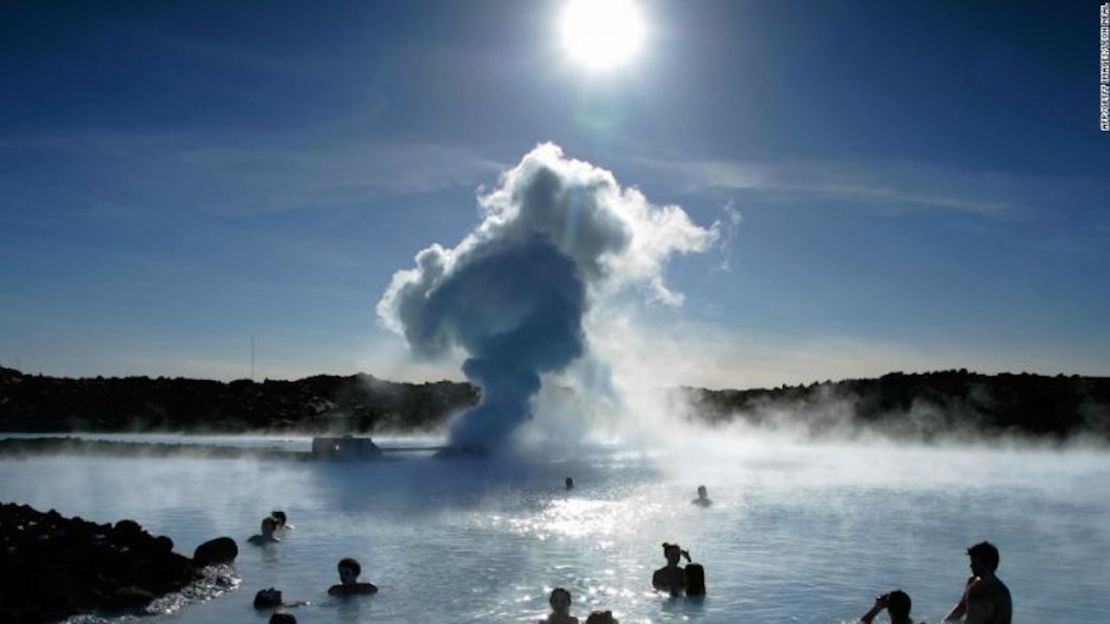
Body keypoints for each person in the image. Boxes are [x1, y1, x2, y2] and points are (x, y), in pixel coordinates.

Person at [944, 541, 1012, 624]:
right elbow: (961, 608)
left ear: (988, 565)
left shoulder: (1001, 593)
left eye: (975, 563)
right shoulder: (972, 582)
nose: (971, 565)